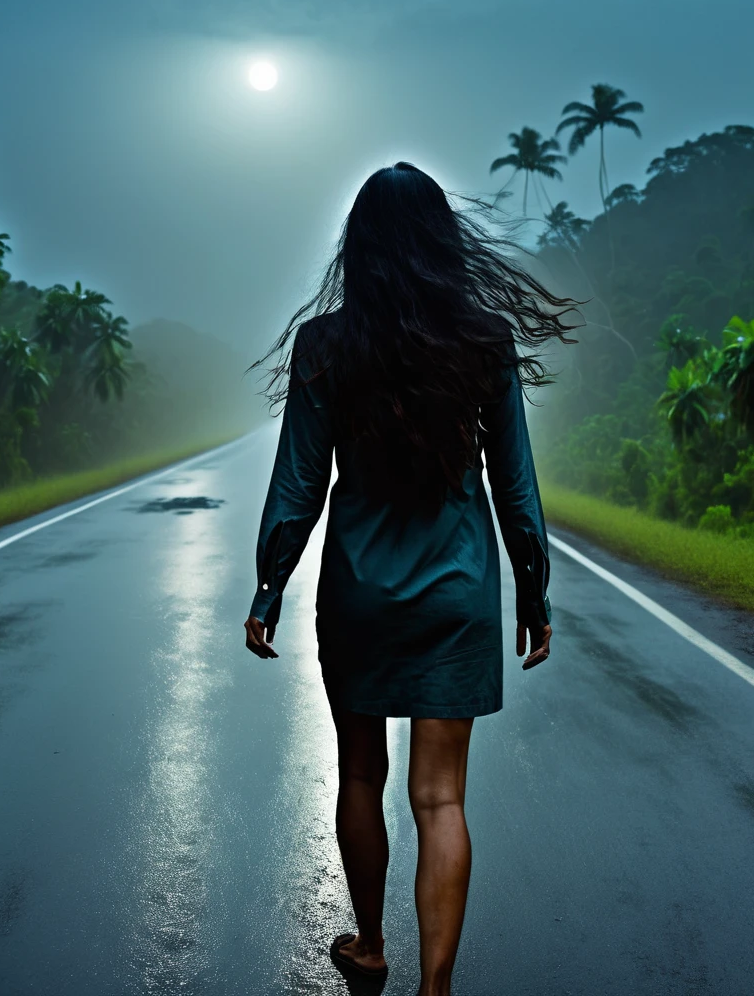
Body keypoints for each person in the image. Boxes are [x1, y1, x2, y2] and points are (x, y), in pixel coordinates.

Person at [244, 161, 579, 995]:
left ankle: (369, 943)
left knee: (360, 773)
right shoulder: (483, 341)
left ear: (358, 248)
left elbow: (298, 483)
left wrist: (268, 587)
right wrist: (533, 592)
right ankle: (437, 987)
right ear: (442, 243)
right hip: (458, 595)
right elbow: (515, 483)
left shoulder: (326, 344)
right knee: (441, 800)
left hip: (358, 596)